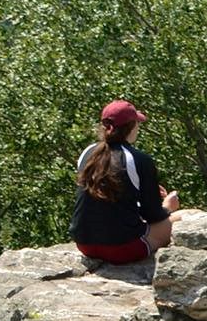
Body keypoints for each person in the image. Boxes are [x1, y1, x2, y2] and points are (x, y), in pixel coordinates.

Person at [71, 99, 178, 265]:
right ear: (132, 126)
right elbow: (154, 215)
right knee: (184, 218)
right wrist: (167, 207)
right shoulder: (139, 159)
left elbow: (104, 203)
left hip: (84, 244)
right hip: (122, 248)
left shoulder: (88, 153)